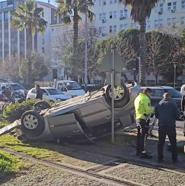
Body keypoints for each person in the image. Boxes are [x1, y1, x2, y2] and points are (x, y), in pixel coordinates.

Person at [155, 92, 179, 163]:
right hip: (170, 126)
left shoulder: (158, 104)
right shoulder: (173, 104)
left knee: (160, 142)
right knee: (173, 142)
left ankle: (160, 158)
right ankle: (174, 159)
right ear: (170, 97)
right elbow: (177, 115)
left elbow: (156, 115)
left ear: (163, 97)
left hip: (161, 126)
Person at [134, 88, 154, 158]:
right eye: (150, 93)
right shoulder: (145, 98)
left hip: (138, 118)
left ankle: (138, 152)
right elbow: (148, 110)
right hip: (143, 119)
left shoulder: (137, 98)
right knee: (144, 137)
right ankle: (143, 153)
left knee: (139, 136)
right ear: (147, 92)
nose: (151, 95)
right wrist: (153, 110)